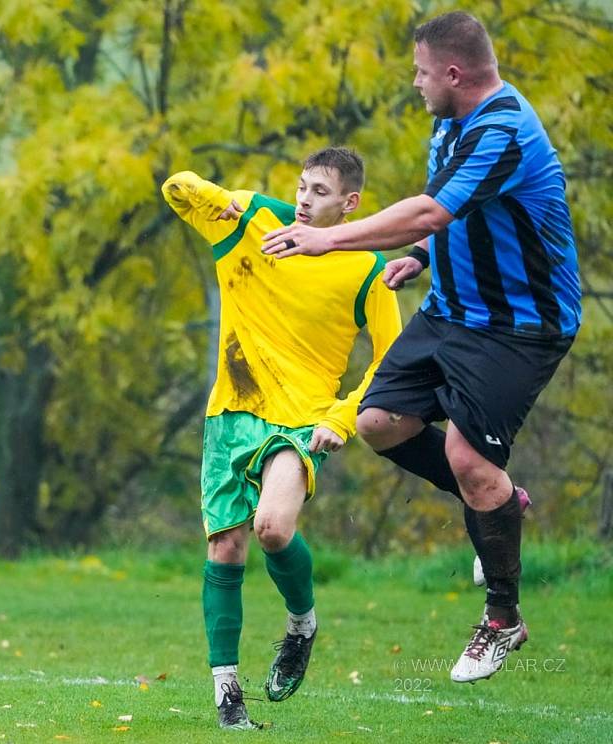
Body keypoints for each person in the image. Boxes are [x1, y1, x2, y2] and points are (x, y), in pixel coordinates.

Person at [262, 12, 581, 684]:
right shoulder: (450, 124)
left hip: (519, 325)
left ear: (454, 74)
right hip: (451, 312)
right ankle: (498, 498)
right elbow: (451, 214)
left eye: (422, 72)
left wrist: (328, 238)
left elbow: (433, 206)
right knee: (378, 423)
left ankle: (503, 617)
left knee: (467, 456)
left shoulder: (503, 130)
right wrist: (422, 253)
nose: (415, 83)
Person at [162, 147, 401, 728]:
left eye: (319, 192)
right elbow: (176, 187)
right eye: (300, 187)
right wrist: (227, 203)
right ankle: (227, 697)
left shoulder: (367, 268)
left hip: (302, 421)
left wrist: (341, 419)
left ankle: (301, 624)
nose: (303, 198)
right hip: (233, 414)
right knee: (226, 548)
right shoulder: (256, 224)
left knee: (271, 529)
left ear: (350, 204)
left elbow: (391, 361)